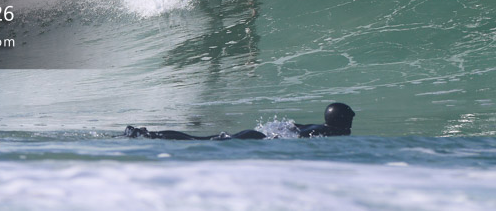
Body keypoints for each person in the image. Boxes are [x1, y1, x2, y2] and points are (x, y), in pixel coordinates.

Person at [123, 102, 355, 140]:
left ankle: (147, 133)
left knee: (203, 139)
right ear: (341, 118)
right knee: (200, 140)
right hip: (256, 138)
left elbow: (293, 127)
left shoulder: (319, 126)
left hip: (257, 135)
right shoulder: (334, 132)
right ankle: (146, 134)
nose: (353, 118)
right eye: (350, 115)